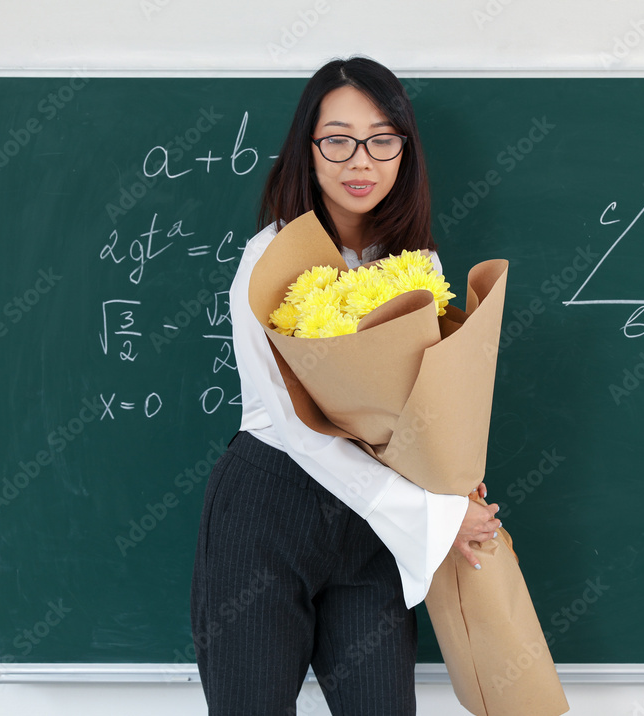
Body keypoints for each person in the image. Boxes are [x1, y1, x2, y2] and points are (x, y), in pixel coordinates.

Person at [190, 56, 502, 716]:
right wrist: (436, 518)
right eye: (338, 139)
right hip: (269, 508)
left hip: (371, 530)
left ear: (404, 151)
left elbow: (424, 407)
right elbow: (301, 428)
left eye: (381, 139)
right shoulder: (270, 258)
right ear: (308, 148)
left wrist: (451, 481)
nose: (361, 161)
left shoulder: (420, 265)